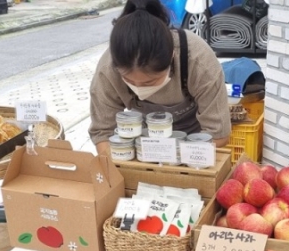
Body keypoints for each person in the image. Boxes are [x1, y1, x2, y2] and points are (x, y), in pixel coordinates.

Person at [89, 0, 232, 157]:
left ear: (171, 58)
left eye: (149, 82)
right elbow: (103, 132)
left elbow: (218, 133)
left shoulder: (198, 61)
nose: (139, 87)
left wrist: (176, 157)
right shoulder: (108, 70)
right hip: (141, 144)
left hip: (195, 143)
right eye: (129, 81)